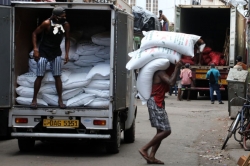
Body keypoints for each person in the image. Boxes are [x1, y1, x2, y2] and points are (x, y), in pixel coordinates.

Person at [138, 60, 183, 165]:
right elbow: (171, 82)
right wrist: (177, 68)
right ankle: (144, 148)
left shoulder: (159, 72)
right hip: (155, 102)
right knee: (166, 131)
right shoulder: (160, 73)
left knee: (160, 131)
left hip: (157, 101)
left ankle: (152, 156)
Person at [30, 7, 70, 109]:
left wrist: (67, 54)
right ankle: (34, 99)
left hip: (56, 52)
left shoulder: (65, 25)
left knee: (57, 76)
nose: (64, 17)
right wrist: (35, 49)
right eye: (62, 16)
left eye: (64, 16)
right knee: (39, 75)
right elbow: (34, 33)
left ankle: (60, 100)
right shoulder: (46, 23)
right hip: (44, 52)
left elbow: (67, 39)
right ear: (55, 17)